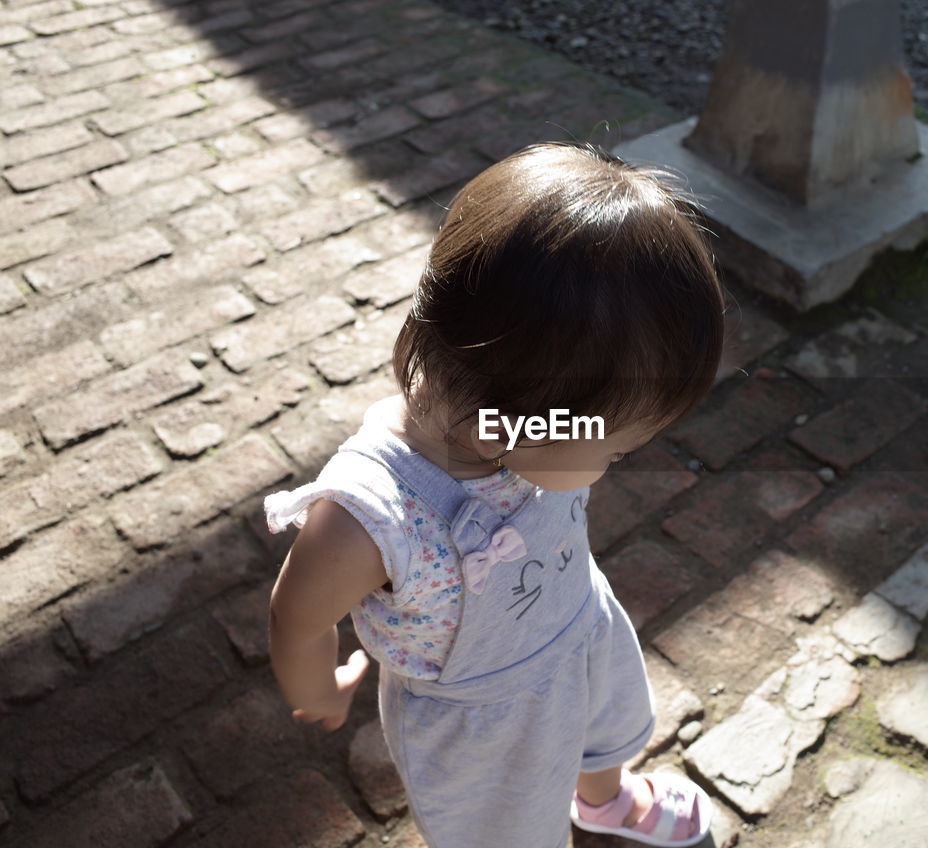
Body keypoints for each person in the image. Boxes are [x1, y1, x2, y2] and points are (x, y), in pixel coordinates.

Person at [264, 142, 725, 848]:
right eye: (615, 445)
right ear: (512, 425)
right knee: (506, 829)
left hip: (574, 630)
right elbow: (296, 617)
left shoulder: (524, 432)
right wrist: (315, 689)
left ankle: (603, 798)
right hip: (484, 721)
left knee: (600, 729)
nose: (620, 458)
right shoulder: (371, 517)